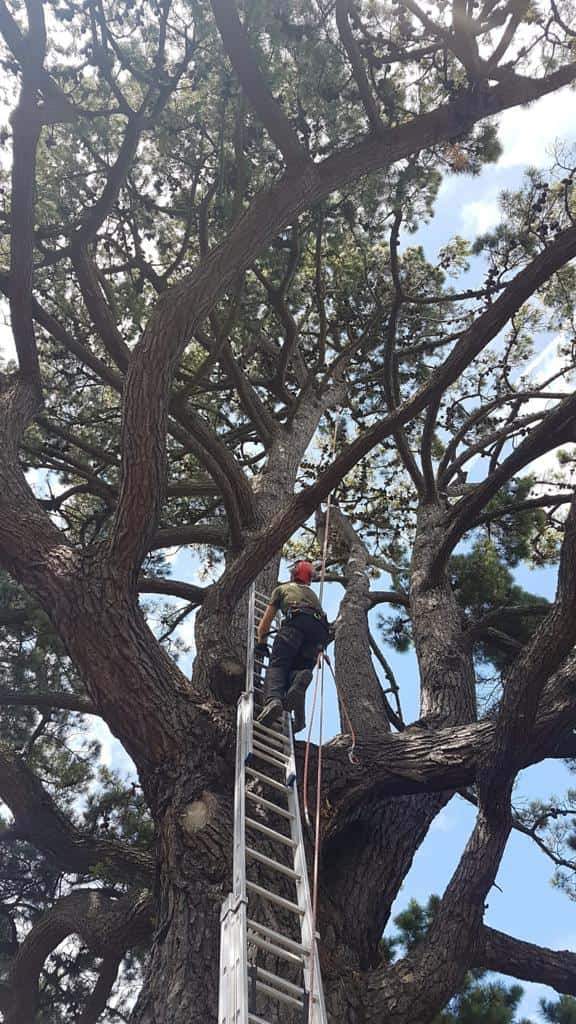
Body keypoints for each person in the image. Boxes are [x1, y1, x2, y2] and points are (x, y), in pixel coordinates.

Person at [256, 560, 330, 732]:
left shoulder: (282, 589)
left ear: (293, 574)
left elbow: (265, 624)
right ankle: (300, 720)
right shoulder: (313, 596)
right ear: (309, 578)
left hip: (296, 624)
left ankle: (273, 701)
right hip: (318, 635)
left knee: (278, 665)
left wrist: (261, 642)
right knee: (296, 676)